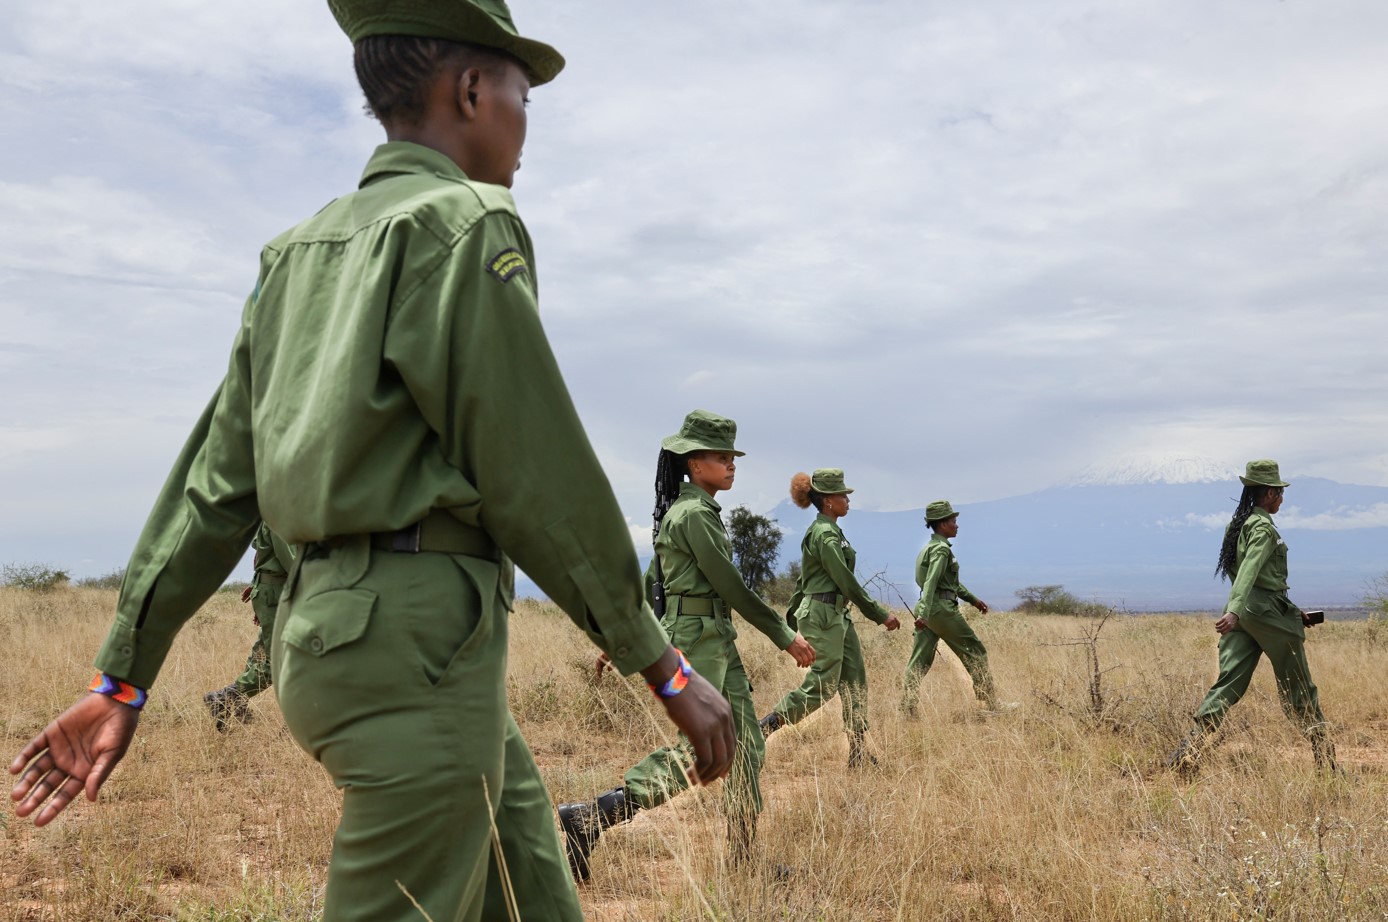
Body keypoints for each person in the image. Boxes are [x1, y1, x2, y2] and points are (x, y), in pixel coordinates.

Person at [8, 4, 737, 921]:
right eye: (520, 94)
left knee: (533, 888)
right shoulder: (467, 223)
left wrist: (124, 672)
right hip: (418, 657)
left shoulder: (296, 253)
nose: (524, 125)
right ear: (471, 91)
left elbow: (214, 488)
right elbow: (535, 472)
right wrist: (664, 668)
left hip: (331, 642)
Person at [557, 411, 816, 881]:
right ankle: (592, 816)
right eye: (722, 457)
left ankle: (742, 864)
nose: (732, 464)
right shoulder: (695, 515)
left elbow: (652, 584)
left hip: (713, 640)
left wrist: (620, 636)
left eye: (732, 456)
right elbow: (732, 586)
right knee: (700, 748)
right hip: (699, 643)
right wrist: (785, 636)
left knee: (745, 746)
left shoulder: (681, 511)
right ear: (695, 464)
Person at [1167, 459, 1337, 775]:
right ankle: (1326, 761)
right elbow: (1250, 570)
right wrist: (1237, 611)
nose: (1282, 499)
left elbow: (1244, 576)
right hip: (1259, 612)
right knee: (1299, 685)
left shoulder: (1236, 526)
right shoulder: (1262, 529)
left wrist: (1242, 611)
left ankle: (1188, 753)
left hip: (1246, 614)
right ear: (1270, 492)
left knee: (1227, 683)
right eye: (1281, 493)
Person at [759, 469, 901, 767]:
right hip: (824, 615)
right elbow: (845, 581)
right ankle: (765, 727)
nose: (847, 499)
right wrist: (878, 614)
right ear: (826, 501)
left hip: (836, 614)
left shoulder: (831, 531)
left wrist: (794, 618)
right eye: (842, 495)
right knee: (823, 686)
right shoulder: (824, 534)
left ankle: (859, 752)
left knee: (854, 680)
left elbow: (805, 579)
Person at [900, 500, 1010, 715]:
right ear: (942, 525)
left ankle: (907, 708)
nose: (957, 525)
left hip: (928, 607)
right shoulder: (941, 550)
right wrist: (924, 613)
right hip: (939, 609)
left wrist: (973, 600)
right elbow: (932, 581)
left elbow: (947, 583)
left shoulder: (927, 549)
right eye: (953, 521)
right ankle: (990, 704)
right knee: (976, 650)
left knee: (919, 660)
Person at [204, 523, 294, 731]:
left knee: (263, 655)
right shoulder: (280, 514)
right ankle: (292, 725)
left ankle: (230, 700)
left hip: (275, 591)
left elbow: (264, 557)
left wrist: (259, 588)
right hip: (277, 593)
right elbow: (293, 562)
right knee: (285, 658)